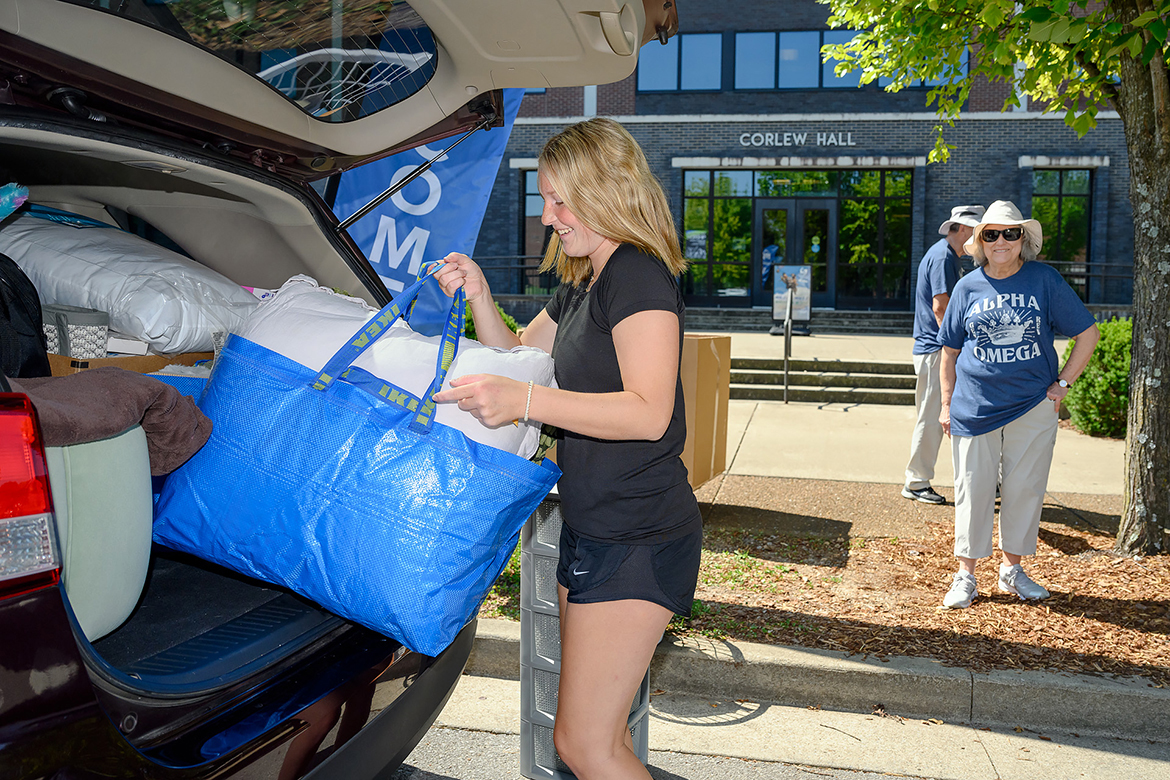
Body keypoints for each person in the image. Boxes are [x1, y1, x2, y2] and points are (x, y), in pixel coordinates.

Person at [432, 117, 701, 780]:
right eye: (544, 200)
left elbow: (647, 411)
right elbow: (523, 358)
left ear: (609, 190)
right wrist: (479, 296)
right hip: (590, 528)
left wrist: (524, 404)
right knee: (600, 740)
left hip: (640, 535)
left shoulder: (637, 277)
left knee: (584, 746)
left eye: (560, 200)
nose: (549, 217)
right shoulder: (584, 280)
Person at [937, 200, 1099, 609]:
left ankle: (1012, 570)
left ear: (1022, 238)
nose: (1001, 241)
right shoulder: (967, 287)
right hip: (974, 406)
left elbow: (1088, 333)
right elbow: (950, 351)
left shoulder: (1044, 279)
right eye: (991, 234)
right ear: (980, 242)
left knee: (1024, 489)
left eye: (1010, 232)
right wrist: (945, 404)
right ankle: (965, 575)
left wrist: (1064, 382)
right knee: (971, 490)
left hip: (1032, 405)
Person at [903, 204, 985, 505]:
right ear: (961, 229)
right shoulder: (943, 257)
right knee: (933, 416)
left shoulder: (946, 255)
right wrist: (955, 347)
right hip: (937, 351)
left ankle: (985, 480)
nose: (979, 238)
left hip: (937, 349)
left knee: (943, 416)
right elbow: (941, 307)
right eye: (976, 231)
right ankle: (916, 482)